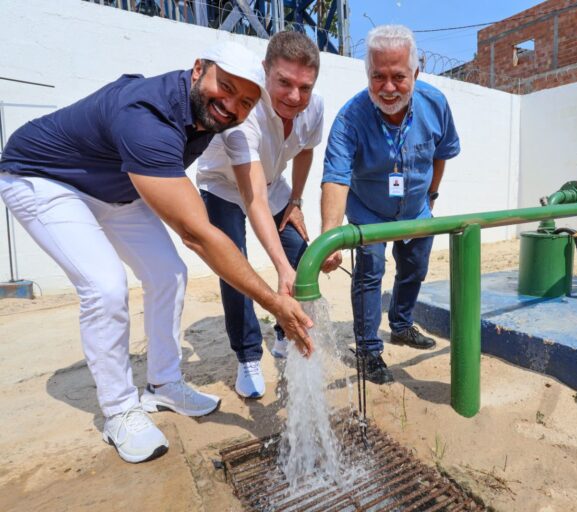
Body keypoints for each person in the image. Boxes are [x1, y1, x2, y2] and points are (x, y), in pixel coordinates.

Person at [0, 41, 313, 464]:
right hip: (45, 178)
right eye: (225, 87)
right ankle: (119, 411)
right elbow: (197, 233)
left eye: (245, 101)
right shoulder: (146, 117)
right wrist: (273, 302)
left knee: (169, 273)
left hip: (118, 186)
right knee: (106, 288)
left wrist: (282, 258)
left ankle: (163, 385)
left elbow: (253, 194)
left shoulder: (222, 120)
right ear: (198, 68)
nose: (230, 106)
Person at [320, 25, 461, 384]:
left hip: (417, 206)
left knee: (414, 267)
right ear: (367, 74)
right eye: (377, 76)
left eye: (398, 76)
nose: (387, 88)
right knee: (369, 273)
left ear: (416, 72)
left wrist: (431, 195)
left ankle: (400, 324)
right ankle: (368, 349)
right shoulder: (350, 118)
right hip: (369, 210)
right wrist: (330, 235)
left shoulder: (435, 104)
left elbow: (442, 152)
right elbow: (336, 177)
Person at [196, 32, 323, 398]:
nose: (294, 97)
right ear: (265, 71)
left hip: (272, 183)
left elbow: (305, 150)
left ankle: (286, 334)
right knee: (236, 267)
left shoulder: (312, 107)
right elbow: (252, 201)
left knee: (301, 252)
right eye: (284, 82)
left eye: (305, 87)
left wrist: (296, 200)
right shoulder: (245, 116)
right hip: (223, 186)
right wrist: (279, 267)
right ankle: (248, 355)